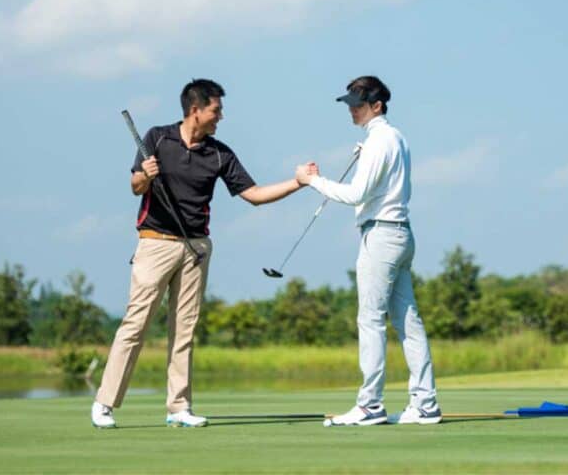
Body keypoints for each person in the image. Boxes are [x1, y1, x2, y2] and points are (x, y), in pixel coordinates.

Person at [92, 78, 309, 428]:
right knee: (136, 324)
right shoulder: (156, 138)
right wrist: (145, 176)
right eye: (216, 110)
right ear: (196, 110)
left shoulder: (220, 152)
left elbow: (253, 194)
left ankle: (179, 408)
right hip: (155, 243)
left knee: (185, 329)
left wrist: (299, 183)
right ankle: (105, 403)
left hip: (196, 248)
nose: (220, 117)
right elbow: (135, 187)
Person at [296, 75, 441, 426]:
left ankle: (370, 405)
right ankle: (425, 404)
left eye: (358, 105)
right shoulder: (394, 138)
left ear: (376, 105)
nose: (352, 110)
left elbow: (356, 195)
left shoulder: (380, 141)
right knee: (408, 322)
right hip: (401, 235)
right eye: (350, 104)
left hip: (381, 237)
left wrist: (311, 181)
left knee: (371, 320)